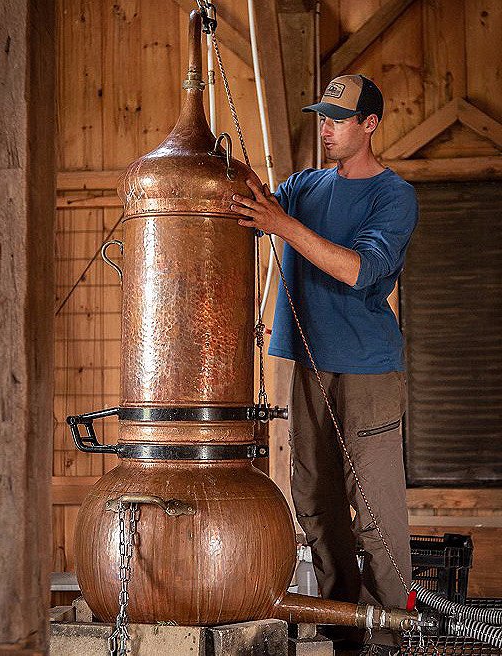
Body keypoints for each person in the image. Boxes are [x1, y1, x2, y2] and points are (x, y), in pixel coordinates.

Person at [231, 74, 418, 656]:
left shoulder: (394, 196)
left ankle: (392, 637)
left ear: (370, 125)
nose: (327, 128)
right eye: (323, 116)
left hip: (367, 369)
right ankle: (346, 637)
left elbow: (359, 270)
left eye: (339, 119)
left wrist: (283, 226)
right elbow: (250, 201)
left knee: (376, 516)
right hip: (308, 366)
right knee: (315, 502)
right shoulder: (305, 187)